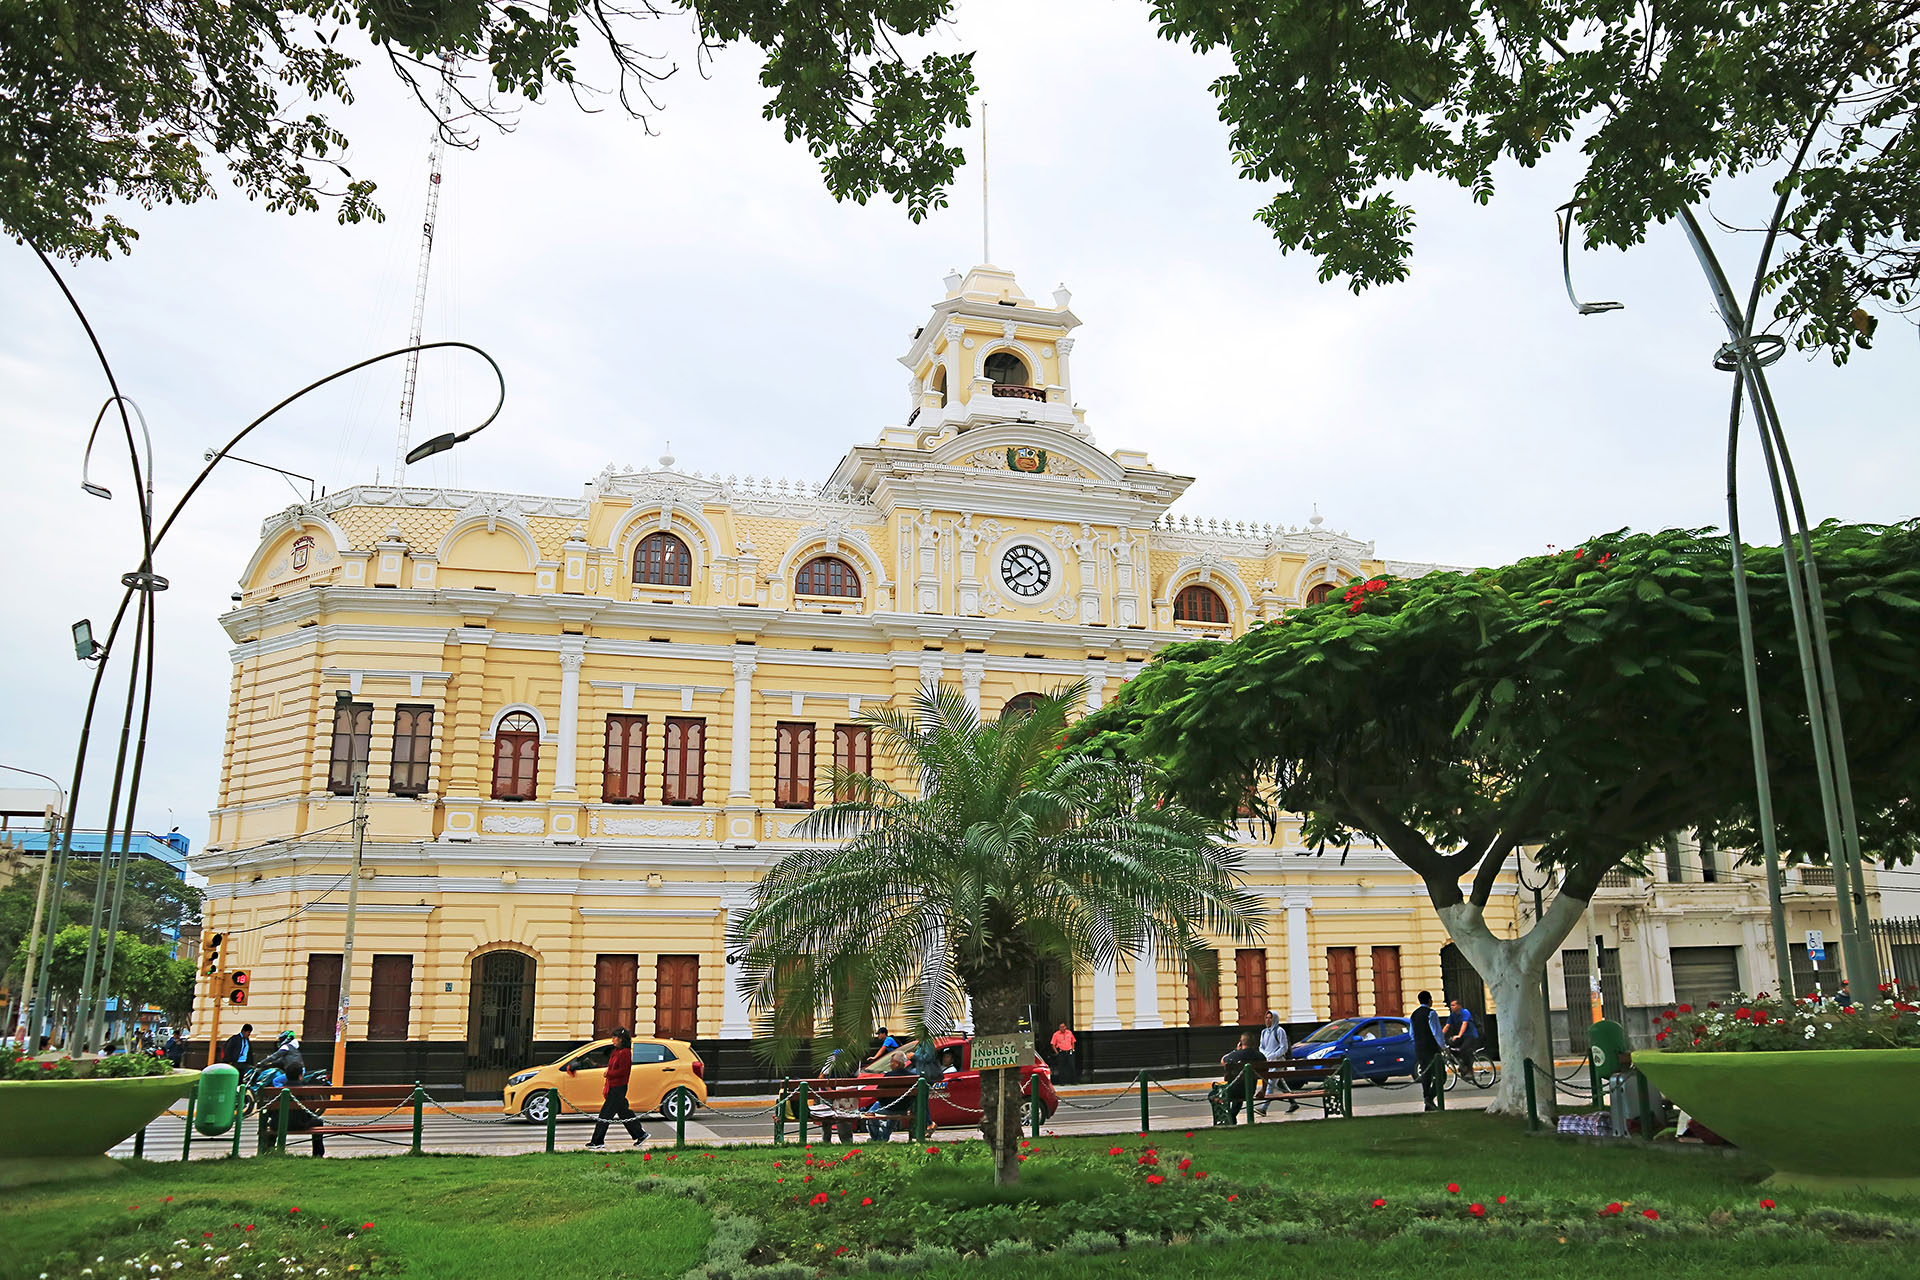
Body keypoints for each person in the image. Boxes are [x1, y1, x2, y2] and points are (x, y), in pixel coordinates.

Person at [254, 1032, 325, 1156]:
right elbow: (312, 1109)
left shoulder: (277, 1091)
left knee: (271, 1123)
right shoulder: (305, 1090)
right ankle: (318, 1154)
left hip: (278, 1124)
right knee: (318, 1121)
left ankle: (268, 1150)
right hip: (301, 1124)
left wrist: (263, 1062)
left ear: (286, 1075)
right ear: (300, 1075)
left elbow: (270, 1110)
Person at [584, 1027, 649, 1151]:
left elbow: (624, 1071)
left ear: (621, 1039)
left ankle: (597, 1141)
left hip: (618, 1087)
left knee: (605, 1114)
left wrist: (609, 1074)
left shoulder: (625, 1052)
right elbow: (613, 1067)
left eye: (615, 1037)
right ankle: (640, 1134)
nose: (613, 1040)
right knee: (624, 1112)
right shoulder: (616, 1051)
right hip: (613, 1086)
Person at [1219, 1032, 1266, 1124]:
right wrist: (1263, 1090)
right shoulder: (1260, 1056)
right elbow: (1265, 1074)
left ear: (1241, 1043)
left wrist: (1236, 1050)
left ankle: (1230, 1117)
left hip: (1233, 1090)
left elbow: (1223, 1061)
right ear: (1254, 1043)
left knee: (1213, 1094)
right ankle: (1232, 1116)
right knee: (1240, 1094)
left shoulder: (1234, 1055)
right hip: (1249, 1090)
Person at [1412, 991, 1446, 1111]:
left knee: (1426, 1075)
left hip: (1419, 1048)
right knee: (1441, 1075)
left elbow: (1412, 1033)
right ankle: (1430, 1098)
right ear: (1429, 1000)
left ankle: (1427, 1101)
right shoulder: (1431, 1013)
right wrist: (1443, 1047)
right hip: (1431, 1048)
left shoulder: (1414, 1015)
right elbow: (1436, 1032)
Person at [1257, 1011, 1296, 1114]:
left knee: (1270, 1084)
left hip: (1278, 1062)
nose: (1268, 1020)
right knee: (1280, 1082)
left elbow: (1284, 1048)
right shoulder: (1264, 1032)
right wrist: (1265, 1055)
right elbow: (1261, 1047)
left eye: (1270, 1018)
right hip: (1268, 1062)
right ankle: (1293, 1102)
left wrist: (1273, 1055)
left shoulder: (1279, 1031)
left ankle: (1263, 1108)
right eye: (1267, 1018)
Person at [1445, 999, 1480, 1070]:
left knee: (1463, 1049)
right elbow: (1447, 1026)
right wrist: (1438, 1035)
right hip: (1463, 1036)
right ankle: (1460, 1062)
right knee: (1450, 1045)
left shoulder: (1465, 1012)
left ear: (1459, 1006)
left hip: (1471, 1035)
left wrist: (1459, 1035)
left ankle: (1469, 1069)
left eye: (1453, 1005)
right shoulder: (1452, 1015)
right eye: (1451, 1005)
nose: (1451, 1007)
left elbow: (1464, 1024)